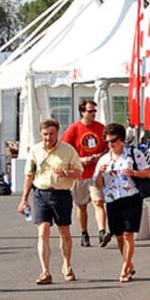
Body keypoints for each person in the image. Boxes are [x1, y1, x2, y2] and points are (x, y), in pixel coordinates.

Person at [17, 118, 82, 284]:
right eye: (45, 134)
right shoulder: (35, 150)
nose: (48, 138)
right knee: (43, 231)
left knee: (64, 232)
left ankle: (67, 265)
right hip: (41, 193)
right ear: (41, 133)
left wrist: (66, 173)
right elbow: (29, 175)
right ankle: (45, 271)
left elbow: (79, 171)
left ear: (57, 133)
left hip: (61, 194)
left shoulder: (68, 150)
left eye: (52, 134)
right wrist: (24, 199)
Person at [94, 122, 150, 282]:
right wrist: (99, 174)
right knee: (119, 235)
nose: (110, 144)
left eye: (113, 140)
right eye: (107, 141)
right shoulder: (103, 159)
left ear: (121, 139)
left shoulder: (133, 154)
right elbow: (98, 185)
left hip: (131, 197)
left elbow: (147, 172)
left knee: (128, 234)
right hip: (112, 199)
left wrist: (134, 173)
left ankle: (124, 268)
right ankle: (129, 264)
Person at [61, 102, 108, 247]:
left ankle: (102, 232)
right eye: (90, 111)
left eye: (94, 111)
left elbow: (108, 148)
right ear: (82, 112)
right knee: (81, 206)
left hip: (95, 173)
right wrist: (80, 160)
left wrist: (99, 156)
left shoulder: (101, 128)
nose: (93, 113)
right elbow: (65, 149)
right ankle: (84, 233)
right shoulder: (74, 128)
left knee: (98, 202)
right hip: (80, 174)